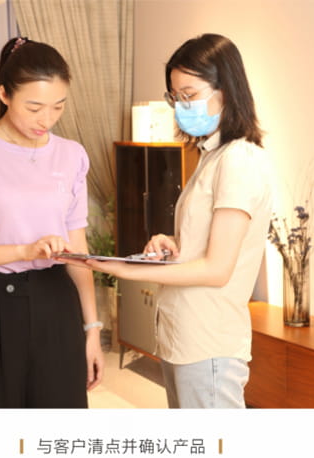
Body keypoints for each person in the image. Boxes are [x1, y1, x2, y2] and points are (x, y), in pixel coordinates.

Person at [60, 33, 272, 408]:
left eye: (190, 95)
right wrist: (175, 245)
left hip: (208, 343)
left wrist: (126, 269)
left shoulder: (239, 160)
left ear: (227, 89)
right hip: (184, 338)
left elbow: (217, 269)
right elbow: (206, 245)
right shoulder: (211, 156)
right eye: (176, 98)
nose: (181, 107)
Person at [0, 37, 104, 408]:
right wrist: (24, 251)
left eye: (58, 106)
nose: (47, 119)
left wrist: (92, 329)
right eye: (34, 107)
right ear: (4, 94)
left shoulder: (71, 155)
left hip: (58, 305)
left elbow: (79, 250)